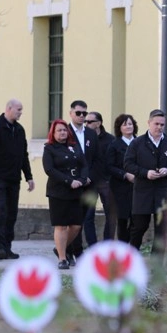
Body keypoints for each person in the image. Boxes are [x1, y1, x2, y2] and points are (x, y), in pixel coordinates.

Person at [0, 99, 35, 260]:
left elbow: (23, 155)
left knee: (12, 214)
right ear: (9, 108)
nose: (21, 112)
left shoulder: (19, 130)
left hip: (13, 179)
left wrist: (29, 177)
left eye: (21, 109)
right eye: (19, 109)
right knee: (1, 211)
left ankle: (8, 247)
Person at [125, 109, 167, 256]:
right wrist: (145, 173)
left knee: (161, 229)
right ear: (149, 123)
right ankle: (132, 258)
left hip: (162, 191)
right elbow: (128, 164)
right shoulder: (137, 143)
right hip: (143, 191)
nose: (159, 127)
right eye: (156, 124)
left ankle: (156, 263)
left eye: (162, 125)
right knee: (139, 227)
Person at [42, 119, 88, 270]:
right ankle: (62, 258)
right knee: (61, 225)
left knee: (76, 225)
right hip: (58, 191)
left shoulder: (74, 146)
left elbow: (83, 164)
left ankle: (59, 247)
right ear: (53, 133)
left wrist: (81, 179)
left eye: (64, 130)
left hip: (76, 191)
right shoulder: (49, 148)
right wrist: (69, 181)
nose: (62, 133)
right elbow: (49, 169)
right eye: (59, 131)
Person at [67, 100, 98, 260]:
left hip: (88, 182)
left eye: (84, 114)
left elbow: (96, 159)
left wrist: (89, 177)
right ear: (71, 113)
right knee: (74, 218)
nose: (81, 116)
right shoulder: (64, 132)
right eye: (78, 113)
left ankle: (66, 248)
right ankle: (76, 250)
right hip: (72, 183)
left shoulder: (91, 134)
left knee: (84, 216)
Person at [107, 113, 138, 243]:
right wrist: (125, 175)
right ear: (119, 128)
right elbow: (109, 166)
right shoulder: (114, 145)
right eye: (124, 124)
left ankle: (133, 245)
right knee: (123, 219)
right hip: (120, 187)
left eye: (130, 124)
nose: (128, 127)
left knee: (137, 219)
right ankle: (122, 245)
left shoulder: (140, 142)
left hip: (138, 186)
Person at [84, 111, 115, 242]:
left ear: (99, 123)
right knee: (88, 215)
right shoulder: (83, 137)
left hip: (105, 181)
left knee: (111, 214)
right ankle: (92, 246)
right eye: (85, 121)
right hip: (90, 182)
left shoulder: (110, 140)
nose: (86, 124)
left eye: (90, 122)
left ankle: (107, 244)